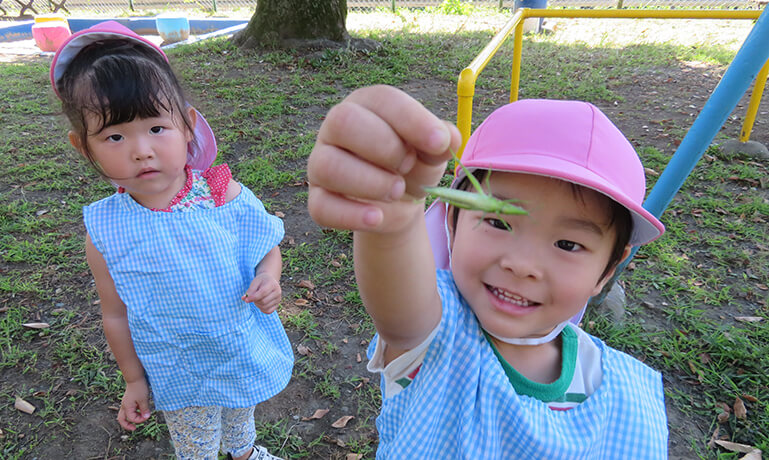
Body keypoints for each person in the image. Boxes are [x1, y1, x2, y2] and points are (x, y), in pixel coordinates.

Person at [307, 85, 668, 458]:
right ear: (452, 223)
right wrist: (393, 215)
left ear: (607, 271)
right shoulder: (436, 330)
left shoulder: (625, 391)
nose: (522, 265)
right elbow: (400, 312)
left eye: (568, 245)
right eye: (498, 222)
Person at [51, 21, 293, 460]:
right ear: (84, 147)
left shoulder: (223, 193)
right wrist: (134, 380)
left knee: (241, 412)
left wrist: (269, 278)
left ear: (187, 125)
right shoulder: (106, 229)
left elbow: (265, 247)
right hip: (179, 367)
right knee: (196, 443)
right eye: (115, 136)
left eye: (156, 128)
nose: (141, 149)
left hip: (236, 346)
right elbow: (115, 315)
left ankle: (243, 453)